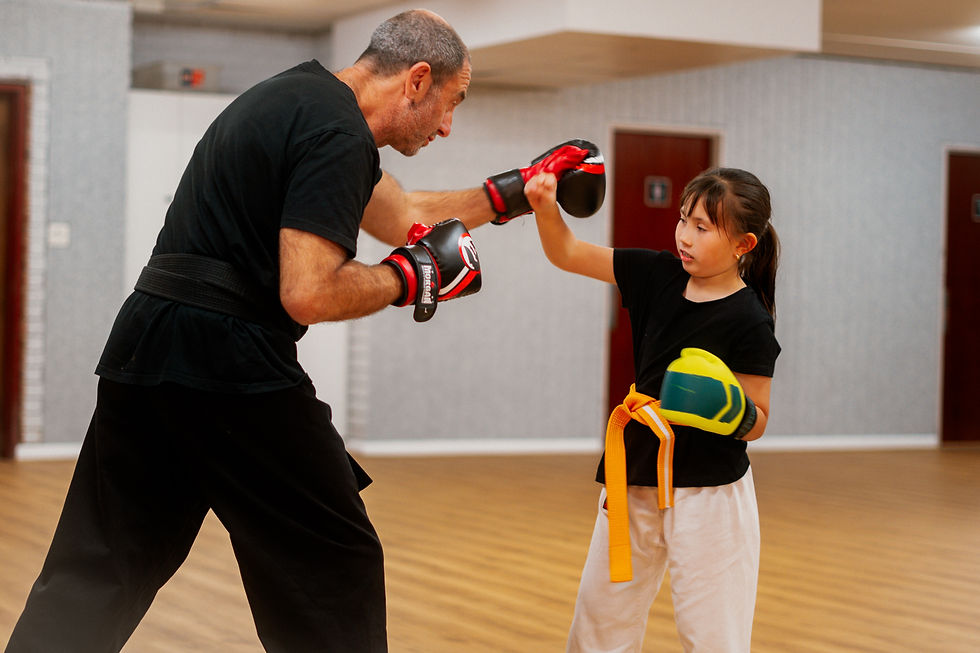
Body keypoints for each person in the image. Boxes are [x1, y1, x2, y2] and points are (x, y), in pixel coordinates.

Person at [5, 9, 603, 653]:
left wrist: (518, 190)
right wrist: (411, 279)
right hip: (226, 361)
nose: (448, 126)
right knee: (331, 559)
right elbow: (310, 291)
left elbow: (406, 214)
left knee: (100, 566)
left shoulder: (297, 98)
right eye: (450, 104)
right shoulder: (337, 134)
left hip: (146, 344)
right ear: (417, 79)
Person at [524, 166, 781, 652]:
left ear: (744, 245)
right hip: (636, 475)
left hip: (710, 490)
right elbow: (568, 252)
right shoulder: (655, 274)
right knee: (600, 619)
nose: (684, 235)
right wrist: (544, 208)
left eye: (702, 228)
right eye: (683, 220)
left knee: (712, 634)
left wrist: (729, 410)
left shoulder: (749, 319)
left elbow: (759, 419)